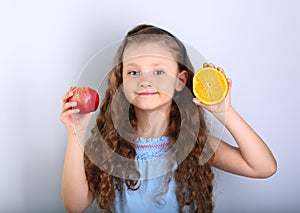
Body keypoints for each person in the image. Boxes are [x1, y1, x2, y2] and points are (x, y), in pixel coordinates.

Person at [60, 24, 277, 213]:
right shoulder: (109, 145)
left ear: (180, 80)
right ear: (121, 81)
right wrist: (75, 133)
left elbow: (263, 167)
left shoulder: (196, 144)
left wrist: (224, 113)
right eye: (133, 72)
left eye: (159, 72)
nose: (145, 81)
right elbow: (75, 205)